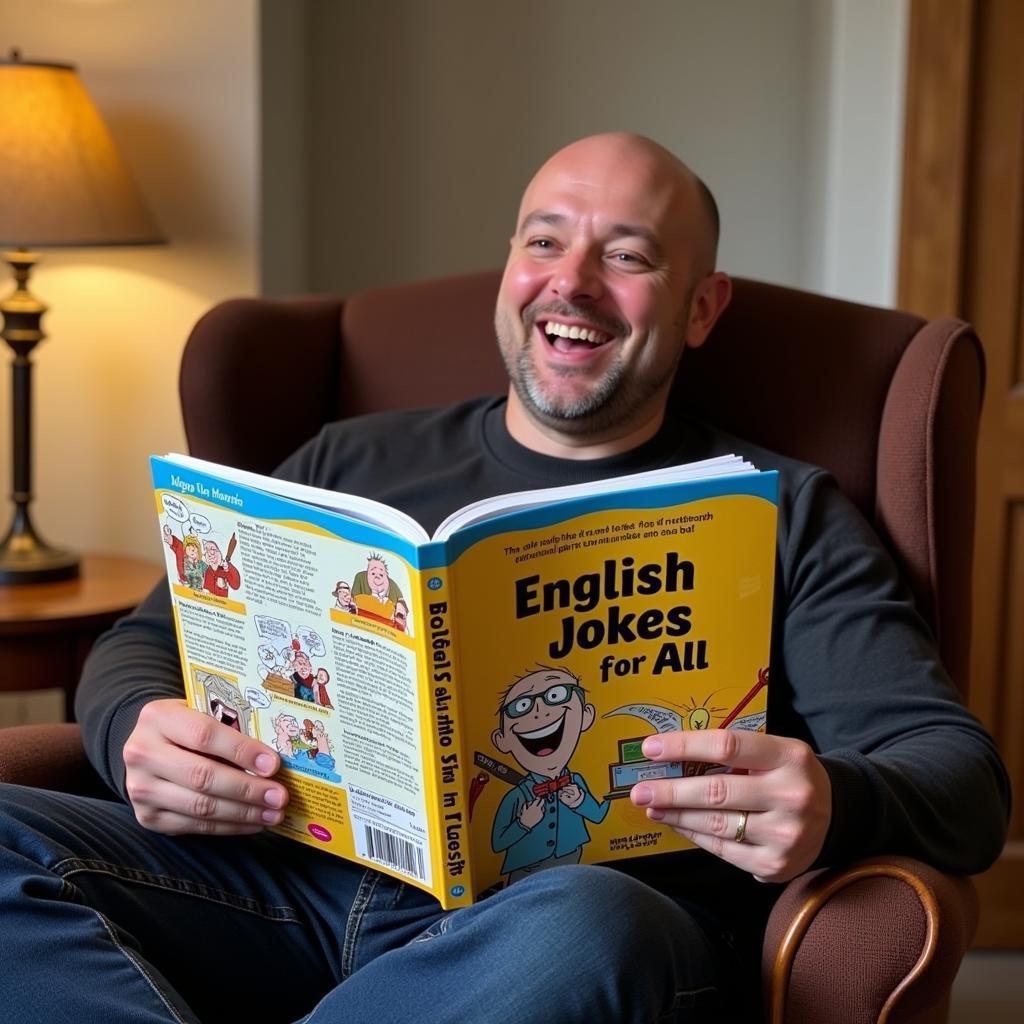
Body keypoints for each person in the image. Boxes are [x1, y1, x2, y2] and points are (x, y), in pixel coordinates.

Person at [0, 133, 1009, 1024]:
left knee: (586, 918)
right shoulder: (346, 461)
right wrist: (134, 721)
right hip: (286, 890)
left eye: (626, 254)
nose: (569, 281)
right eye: (543, 239)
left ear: (701, 306)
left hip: (578, 932)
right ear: (509, 271)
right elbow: (144, 638)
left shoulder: (782, 511)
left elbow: (958, 776)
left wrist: (835, 796)